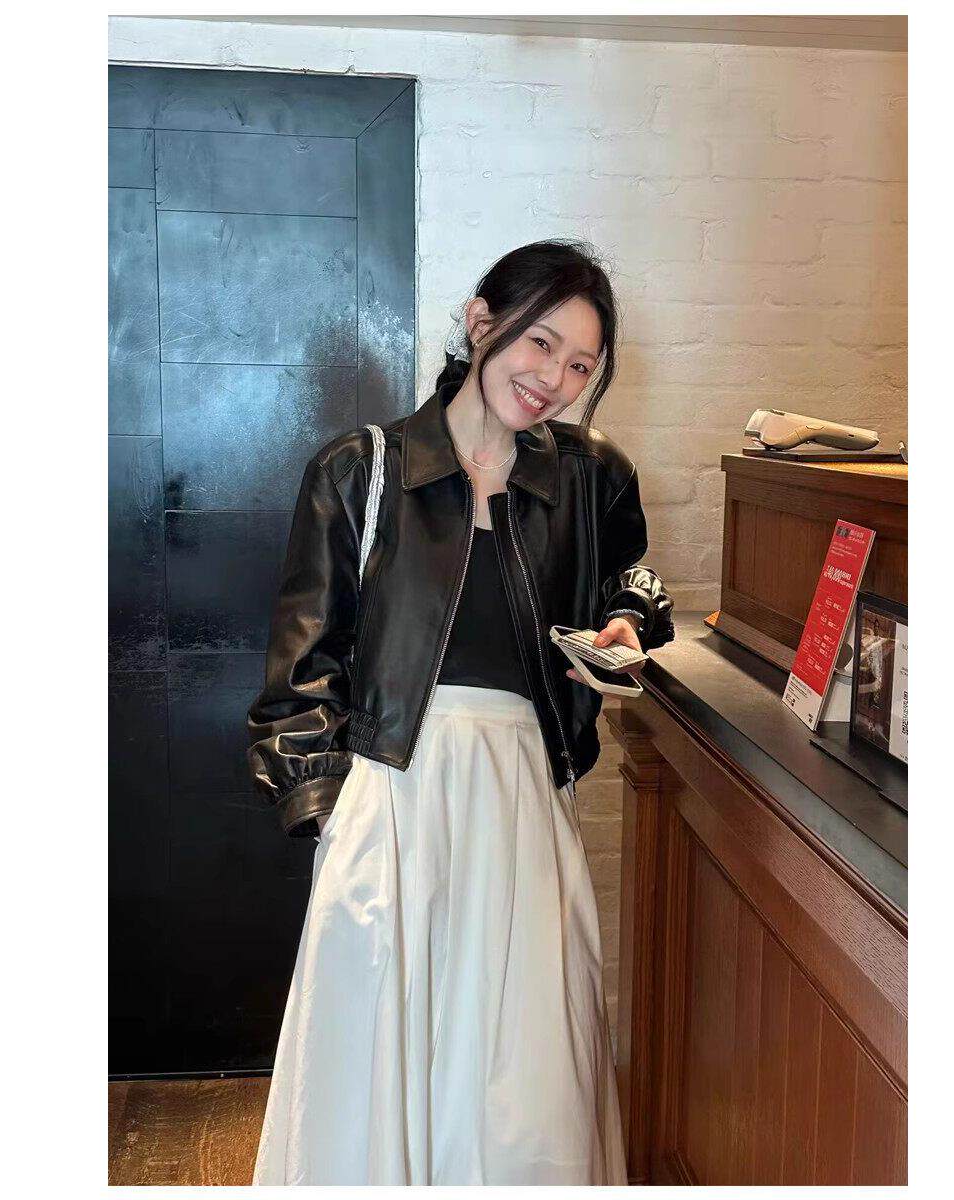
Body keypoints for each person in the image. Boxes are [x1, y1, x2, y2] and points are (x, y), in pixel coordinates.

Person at [247, 239, 675, 1185]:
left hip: (522, 799)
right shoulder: (359, 469)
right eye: (541, 343)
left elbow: (636, 579)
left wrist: (627, 619)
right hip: (390, 794)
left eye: (582, 364)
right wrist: (330, 818)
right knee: (373, 1066)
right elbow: (300, 669)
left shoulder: (589, 477)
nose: (554, 379)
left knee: (526, 1078)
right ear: (483, 322)